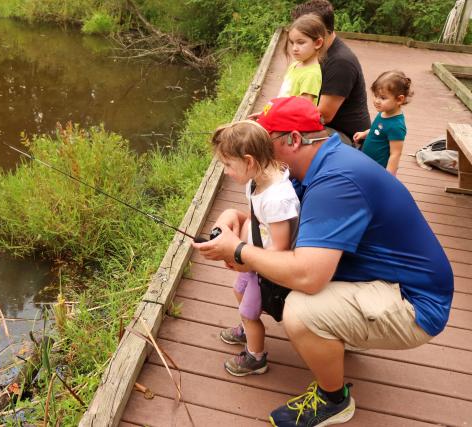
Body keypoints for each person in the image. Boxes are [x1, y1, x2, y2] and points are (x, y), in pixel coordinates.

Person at [194, 96, 453, 427]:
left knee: (301, 310)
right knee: (292, 283)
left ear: (294, 139)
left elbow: (309, 276)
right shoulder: (316, 164)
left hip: (415, 303)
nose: (258, 150)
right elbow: (283, 223)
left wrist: (241, 251)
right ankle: (340, 334)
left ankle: (334, 400)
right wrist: (237, 216)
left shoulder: (337, 181)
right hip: (384, 279)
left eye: (264, 140)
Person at [211, 120, 300, 377]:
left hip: (266, 269)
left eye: (228, 164)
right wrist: (239, 247)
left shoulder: (277, 199)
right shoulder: (255, 181)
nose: (225, 171)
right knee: (238, 290)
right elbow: (253, 218)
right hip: (252, 260)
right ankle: (247, 328)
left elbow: (281, 249)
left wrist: (244, 259)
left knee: (250, 313)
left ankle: (255, 357)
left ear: (249, 161)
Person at [291, 0, 370, 144]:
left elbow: (322, 116)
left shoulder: (340, 62)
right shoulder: (315, 53)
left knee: (288, 137)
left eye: (305, 27)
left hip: (349, 138)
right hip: (327, 127)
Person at [353, 70, 413, 175]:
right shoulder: (384, 113)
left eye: (383, 98)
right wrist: (365, 134)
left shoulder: (396, 126)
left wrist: (388, 177)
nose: (377, 100)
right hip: (367, 163)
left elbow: (395, 154)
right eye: (376, 95)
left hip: (378, 170)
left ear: (399, 100)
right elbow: (377, 130)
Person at [277, 13, 327, 104]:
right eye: (292, 43)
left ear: (318, 43)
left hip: (290, 118)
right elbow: (283, 96)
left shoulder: (311, 74)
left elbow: (301, 108)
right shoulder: (295, 65)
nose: (294, 48)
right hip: (281, 115)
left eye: (300, 42)